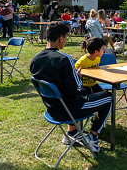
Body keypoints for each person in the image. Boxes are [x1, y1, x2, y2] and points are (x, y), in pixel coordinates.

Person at [30, 22, 112, 153]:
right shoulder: (64, 59)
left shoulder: (35, 59)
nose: (66, 40)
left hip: (53, 109)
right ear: (61, 38)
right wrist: (78, 77)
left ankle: (72, 133)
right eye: (66, 37)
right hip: (71, 110)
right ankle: (93, 135)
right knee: (108, 97)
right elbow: (76, 88)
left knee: (81, 93)